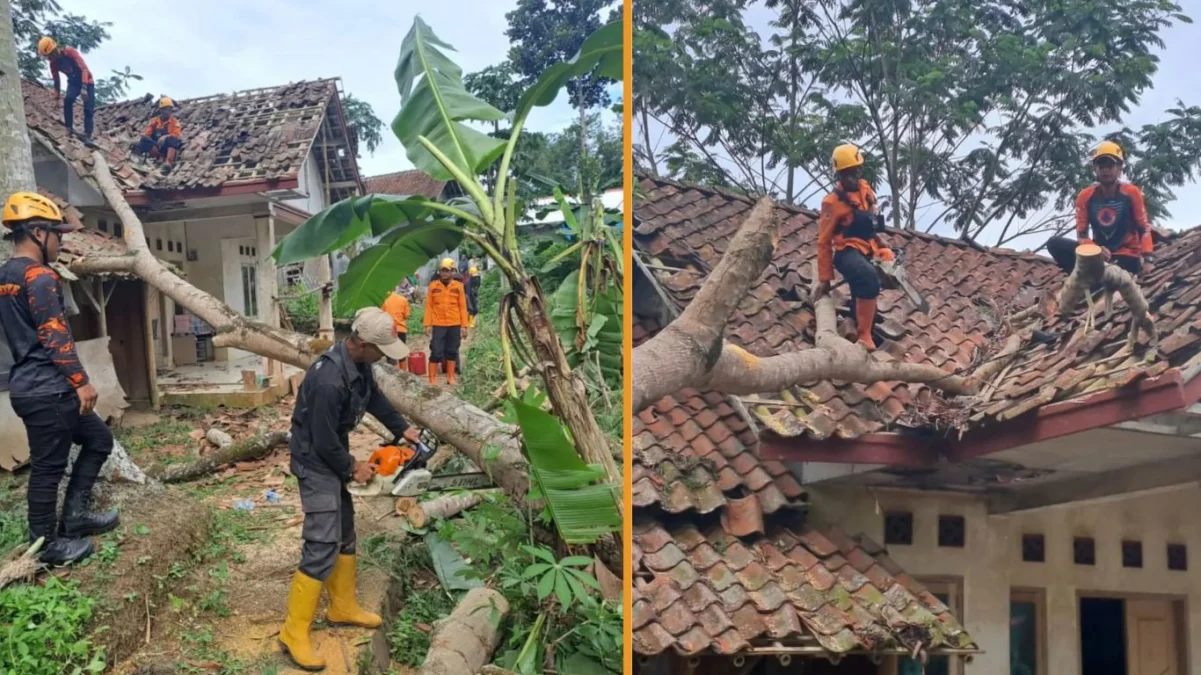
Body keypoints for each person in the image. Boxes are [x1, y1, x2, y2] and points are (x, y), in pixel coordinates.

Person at [278, 307, 421, 671]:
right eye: (382, 350)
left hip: (331, 451)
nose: (384, 356)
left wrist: (400, 427)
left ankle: (342, 606)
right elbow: (324, 441)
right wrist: (352, 467)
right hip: (316, 460)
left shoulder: (360, 365)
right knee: (322, 540)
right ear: (361, 343)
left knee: (345, 531)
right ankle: (293, 632)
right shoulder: (328, 379)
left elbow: (373, 398)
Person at [0, 192, 118, 566]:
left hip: (35, 386)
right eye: (57, 235)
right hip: (49, 388)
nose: (61, 242)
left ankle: (75, 517)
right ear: (37, 232)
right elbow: (55, 335)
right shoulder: (39, 276)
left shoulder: (4, 277)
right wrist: (82, 380)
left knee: (99, 439)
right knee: (47, 468)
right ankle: (45, 546)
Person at [813, 144, 895, 350]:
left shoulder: (865, 189)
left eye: (853, 173)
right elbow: (823, 242)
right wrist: (825, 280)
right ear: (839, 176)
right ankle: (864, 335)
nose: (851, 179)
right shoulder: (831, 203)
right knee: (867, 276)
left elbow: (869, 220)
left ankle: (861, 310)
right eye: (845, 175)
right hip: (846, 252)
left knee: (888, 259)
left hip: (868, 246)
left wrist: (881, 241)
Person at [1046, 141, 1154, 278]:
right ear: (1095, 169)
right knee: (1054, 243)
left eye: (1110, 165)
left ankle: (1091, 273)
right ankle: (1085, 273)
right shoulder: (1085, 196)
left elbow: (1144, 228)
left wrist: (1148, 259)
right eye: (1101, 165)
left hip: (1126, 256)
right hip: (1097, 255)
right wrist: (1095, 250)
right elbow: (1082, 235)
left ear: (1120, 168)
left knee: (1119, 268)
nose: (1105, 170)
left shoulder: (1131, 193)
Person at [37, 37, 95, 142]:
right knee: (68, 99)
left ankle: (88, 134)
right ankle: (69, 127)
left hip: (87, 81)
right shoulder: (53, 63)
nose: (50, 58)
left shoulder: (70, 52)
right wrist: (57, 96)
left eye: (50, 55)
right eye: (47, 57)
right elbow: (56, 80)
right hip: (73, 82)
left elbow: (84, 69)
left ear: (54, 50)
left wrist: (84, 87)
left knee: (88, 108)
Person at [423, 258, 469, 386]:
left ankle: (450, 377)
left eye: (447, 271)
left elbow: (462, 307)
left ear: (453, 272)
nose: (444, 273)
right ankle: (432, 380)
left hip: (454, 323)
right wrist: (427, 324)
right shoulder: (433, 286)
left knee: (452, 351)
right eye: (442, 271)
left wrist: (464, 326)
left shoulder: (458, 286)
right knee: (436, 351)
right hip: (439, 324)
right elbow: (429, 307)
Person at [133, 97, 184, 174]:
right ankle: (157, 157)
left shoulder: (174, 122)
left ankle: (168, 163)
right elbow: (147, 134)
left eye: (170, 109)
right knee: (144, 140)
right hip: (156, 146)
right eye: (166, 109)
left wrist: (165, 136)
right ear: (161, 110)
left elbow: (177, 135)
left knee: (173, 139)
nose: (169, 111)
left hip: (167, 147)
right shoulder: (154, 121)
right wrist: (144, 136)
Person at [381, 288, 412, 371]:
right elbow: (407, 315)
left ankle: (394, 374)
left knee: (390, 353)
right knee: (401, 353)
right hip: (400, 329)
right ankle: (404, 373)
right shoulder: (403, 299)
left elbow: (381, 314)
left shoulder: (383, 300)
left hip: (388, 330)